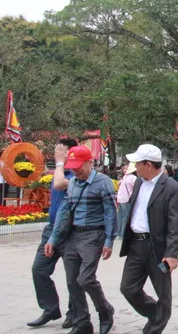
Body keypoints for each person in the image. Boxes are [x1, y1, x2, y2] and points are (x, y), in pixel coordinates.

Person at [46, 145, 116, 334]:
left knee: (85, 278)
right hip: (72, 236)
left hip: (93, 235)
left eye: (79, 166)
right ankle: (83, 322)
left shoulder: (103, 182)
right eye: (73, 167)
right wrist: (53, 237)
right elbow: (64, 211)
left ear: (89, 163)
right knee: (72, 281)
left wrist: (109, 240)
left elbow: (110, 211)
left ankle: (105, 310)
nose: (75, 170)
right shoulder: (72, 183)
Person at [120, 144, 178, 334]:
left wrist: (171, 254)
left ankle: (154, 329)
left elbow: (174, 223)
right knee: (128, 288)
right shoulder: (139, 182)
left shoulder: (171, 187)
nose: (134, 167)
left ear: (148, 165)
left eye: (137, 163)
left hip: (157, 249)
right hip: (136, 245)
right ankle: (156, 314)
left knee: (163, 294)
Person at [28, 138, 78, 329]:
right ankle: (50, 308)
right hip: (51, 229)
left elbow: (58, 184)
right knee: (39, 269)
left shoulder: (75, 175)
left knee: (73, 276)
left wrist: (59, 163)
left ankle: (74, 312)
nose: (57, 153)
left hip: (70, 232)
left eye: (60, 150)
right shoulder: (59, 172)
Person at [116, 163, 137, 240]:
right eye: (124, 168)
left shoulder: (127, 177)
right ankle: (122, 235)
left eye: (126, 168)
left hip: (121, 199)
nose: (124, 170)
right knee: (124, 218)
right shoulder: (131, 177)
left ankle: (119, 234)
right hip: (125, 199)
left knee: (121, 217)